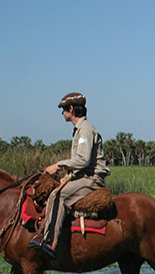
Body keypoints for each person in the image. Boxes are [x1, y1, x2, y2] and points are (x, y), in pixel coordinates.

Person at [29, 92, 110, 259]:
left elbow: (83, 160)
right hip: (83, 176)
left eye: (63, 109)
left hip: (92, 179)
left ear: (71, 109)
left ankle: (50, 243)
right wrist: (69, 176)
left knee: (58, 196)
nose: (62, 113)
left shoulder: (85, 130)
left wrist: (57, 165)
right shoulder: (80, 130)